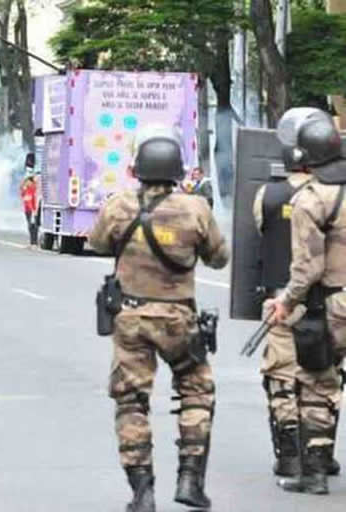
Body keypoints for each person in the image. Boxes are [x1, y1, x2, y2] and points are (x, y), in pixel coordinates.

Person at [89, 124, 229, 512]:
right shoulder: (195, 209)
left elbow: (96, 242)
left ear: (136, 169)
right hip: (179, 319)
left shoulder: (119, 206)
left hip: (131, 317)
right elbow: (220, 258)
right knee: (196, 391)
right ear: (178, 171)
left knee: (132, 402)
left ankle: (142, 492)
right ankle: (190, 480)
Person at [250, 114, 341, 479]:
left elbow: (260, 234)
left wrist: (286, 298)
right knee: (327, 375)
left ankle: (291, 455)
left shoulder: (273, 195)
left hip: (292, 299)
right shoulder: (331, 194)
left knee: (284, 376)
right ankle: (320, 454)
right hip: (326, 301)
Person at [21, 174, 39, 249]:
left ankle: (33, 243)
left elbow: (28, 200)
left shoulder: (31, 188)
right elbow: (26, 199)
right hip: (30, 210)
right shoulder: (29, 188)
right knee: (32, 226)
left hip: (31, 210)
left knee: (32, 227)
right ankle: (33, 243)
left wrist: (33, 210)